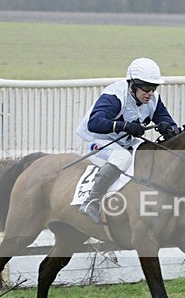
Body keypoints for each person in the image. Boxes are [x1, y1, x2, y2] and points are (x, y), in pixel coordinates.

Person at [75, 57, 179, 223]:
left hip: (124, 142)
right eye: (146, 87)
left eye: (154, 87)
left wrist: (169, 128)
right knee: (122, 158)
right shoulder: (115, 96)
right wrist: (124, 126)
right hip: (97, 141)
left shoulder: (153, 99)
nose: (150, 93)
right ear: (132, 85)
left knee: (149, 152)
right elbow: (94, 123)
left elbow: (170, 124)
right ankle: (91, 201)